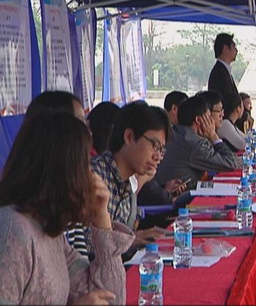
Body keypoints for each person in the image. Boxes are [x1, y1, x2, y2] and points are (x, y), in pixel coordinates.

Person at [0, 111, 134, 304]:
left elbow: (111, 298)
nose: (90, 175)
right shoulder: (12, 230)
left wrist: (102, 219)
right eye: (84, 165)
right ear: (63, 169)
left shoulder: (49, 232)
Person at [89, 101, 175, 257]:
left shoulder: (128, 183)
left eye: (161, 150)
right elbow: (87, 247)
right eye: (154, 146)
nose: (158, 157)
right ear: (129, 137)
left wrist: (133, 238)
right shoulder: (95, 177)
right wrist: (130, 240)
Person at [24, 91, 89, 258]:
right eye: (80, 123)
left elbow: (82, 268)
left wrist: (104, 221)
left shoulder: (65, 201)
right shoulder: (16, 224)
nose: (88, 134)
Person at [155, 96, 239, 190]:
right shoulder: (193, 142)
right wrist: (213, 136)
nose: (211, 121)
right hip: (181, 195)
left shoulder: (177, 133)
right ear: (199, 120)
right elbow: (230, 163)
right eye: (209, 117)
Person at [208, 33, 239, 98]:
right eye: (234, 47)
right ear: (225, 48)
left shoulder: (223, 70)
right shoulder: (219, 73)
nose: (237, 50)